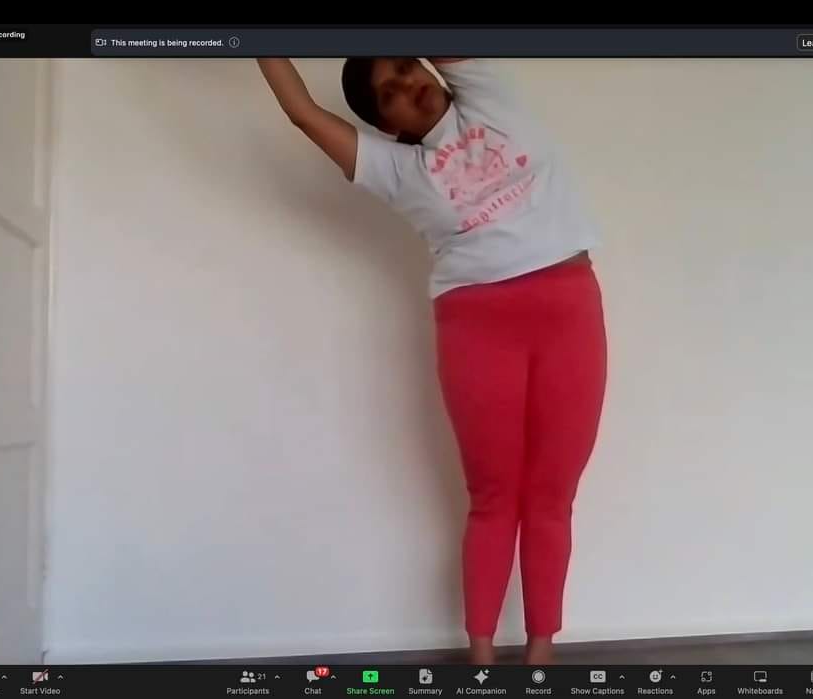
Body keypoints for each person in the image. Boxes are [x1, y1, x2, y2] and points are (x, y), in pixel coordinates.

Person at [256, 57, 607, 665]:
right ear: (383, 123)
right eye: (387, 92)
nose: (406, 85)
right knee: (494, 495)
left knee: (552, 494)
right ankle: (480, 660)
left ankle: (541, 655)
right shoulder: (394, 170)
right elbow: (301, 111)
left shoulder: (491, 95)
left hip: (568, 310)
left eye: (405, 67)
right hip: (476, 327)